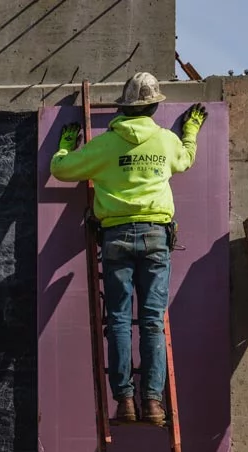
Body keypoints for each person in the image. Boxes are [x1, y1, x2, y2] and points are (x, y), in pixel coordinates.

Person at [50, 72, 207, 426]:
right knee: (152, 322)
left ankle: (124, 402)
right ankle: (152, 403)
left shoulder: (105, 145)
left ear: (124, 107)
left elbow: (60, 170)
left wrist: (65, 144)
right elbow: (184, 160)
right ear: (153, 107)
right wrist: (192, 130)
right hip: (155, 237)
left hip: (115, 237)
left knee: (119, 321)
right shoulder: (166, 141)